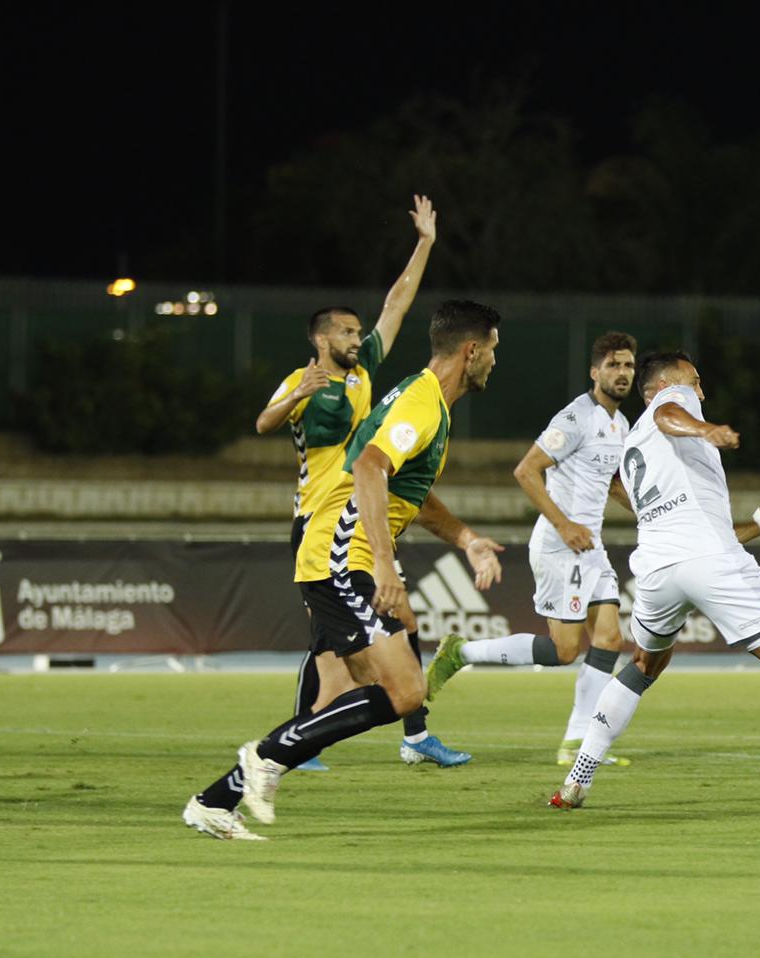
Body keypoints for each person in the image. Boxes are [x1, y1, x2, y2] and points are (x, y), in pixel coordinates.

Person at [182, 300, 505, 840]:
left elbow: (413, 495)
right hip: (342, 554)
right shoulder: (422, 403)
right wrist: (384, 564)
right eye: (493, 349)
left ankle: (215, 802)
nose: (495, 361)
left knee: (355, 689)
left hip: (338, 551)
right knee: (403, 692)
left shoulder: (426, 404)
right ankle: (264, 758)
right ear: (471, 350)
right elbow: (370, 467)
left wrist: (467, 539)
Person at [547, 351, 760, 819]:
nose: (701, 390)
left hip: (655, 570)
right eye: (695, 379)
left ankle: (576, 781)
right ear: (664, 385)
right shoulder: (671, 406)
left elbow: (709, 526)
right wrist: (706, 429)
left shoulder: (636, 445)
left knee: (642, 666)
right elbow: (671, 413)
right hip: (709, 562)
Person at [252, 194, 467, 770]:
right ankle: (306, 740)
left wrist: (424, 243)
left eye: (356, 331)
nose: (358, 336)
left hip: (355, 517)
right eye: (347, 331)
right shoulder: (302, 380)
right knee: (333, 639)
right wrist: (293, 397)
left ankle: (382, 735)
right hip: (317, 523)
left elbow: (396, 305)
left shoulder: (364, 371)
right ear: (322, 339)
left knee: (364, 633)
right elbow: (262, 421)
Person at [426, 332, 638, 767]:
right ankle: (460, 653)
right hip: (563, 546)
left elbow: (612, 482)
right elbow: (526, 471)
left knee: (611, 638)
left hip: (589, 546)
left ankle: (578, 743)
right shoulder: (576, 417)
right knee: (563, 652)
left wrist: (648, 512)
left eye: (629, 366)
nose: (623, 374)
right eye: (614, 365)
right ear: (595, 372)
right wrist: (564, 525)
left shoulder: (622, 425)